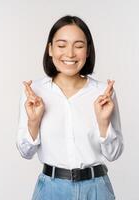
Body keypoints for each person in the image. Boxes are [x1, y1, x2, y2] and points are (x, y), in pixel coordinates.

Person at [16, 15, 123, 200]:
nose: (70, 54)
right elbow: (26, 153)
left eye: (79, 46)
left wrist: (104, 123)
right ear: (50, 49)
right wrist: (33, 122)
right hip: (50, 190)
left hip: (96, 190)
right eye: (61, 45)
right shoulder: (34, 92)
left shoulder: (103, 93)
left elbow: (113, 154)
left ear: (88, 51)